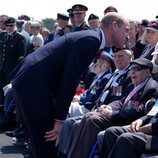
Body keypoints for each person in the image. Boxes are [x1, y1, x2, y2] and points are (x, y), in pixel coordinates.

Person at [10, 12, 130, 158]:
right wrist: (59, 119)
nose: (128, 36)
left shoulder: (92, 37)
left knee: (43, 143)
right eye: (126, 29)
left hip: (32, 83)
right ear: (114, 26)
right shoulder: (91, 40)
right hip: (35, 85)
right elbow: (70, 79)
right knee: (47, 142)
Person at [67, 58, 158, 158]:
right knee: (84, 119)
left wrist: (113, 114)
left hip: (128, 120)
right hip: (126, 118)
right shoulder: (131, 86)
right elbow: (121, 102)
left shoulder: (151, 88)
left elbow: (138, 110)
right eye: (132, 68)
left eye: (137, 69)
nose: (133, 72)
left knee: (94, 121)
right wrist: (109, 107)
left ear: (148, 72)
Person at [0, 17, 26, 105]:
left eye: (11, 25)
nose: (9, 27)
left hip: (12, 70)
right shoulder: (2, 36)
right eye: (7, 25)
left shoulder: (19, 38)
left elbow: (21, 56)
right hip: (2, 68)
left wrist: (17, 70)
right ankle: (1, 106)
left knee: (9, 91)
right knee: (1, 89)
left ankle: (7, 110)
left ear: (15, 25)